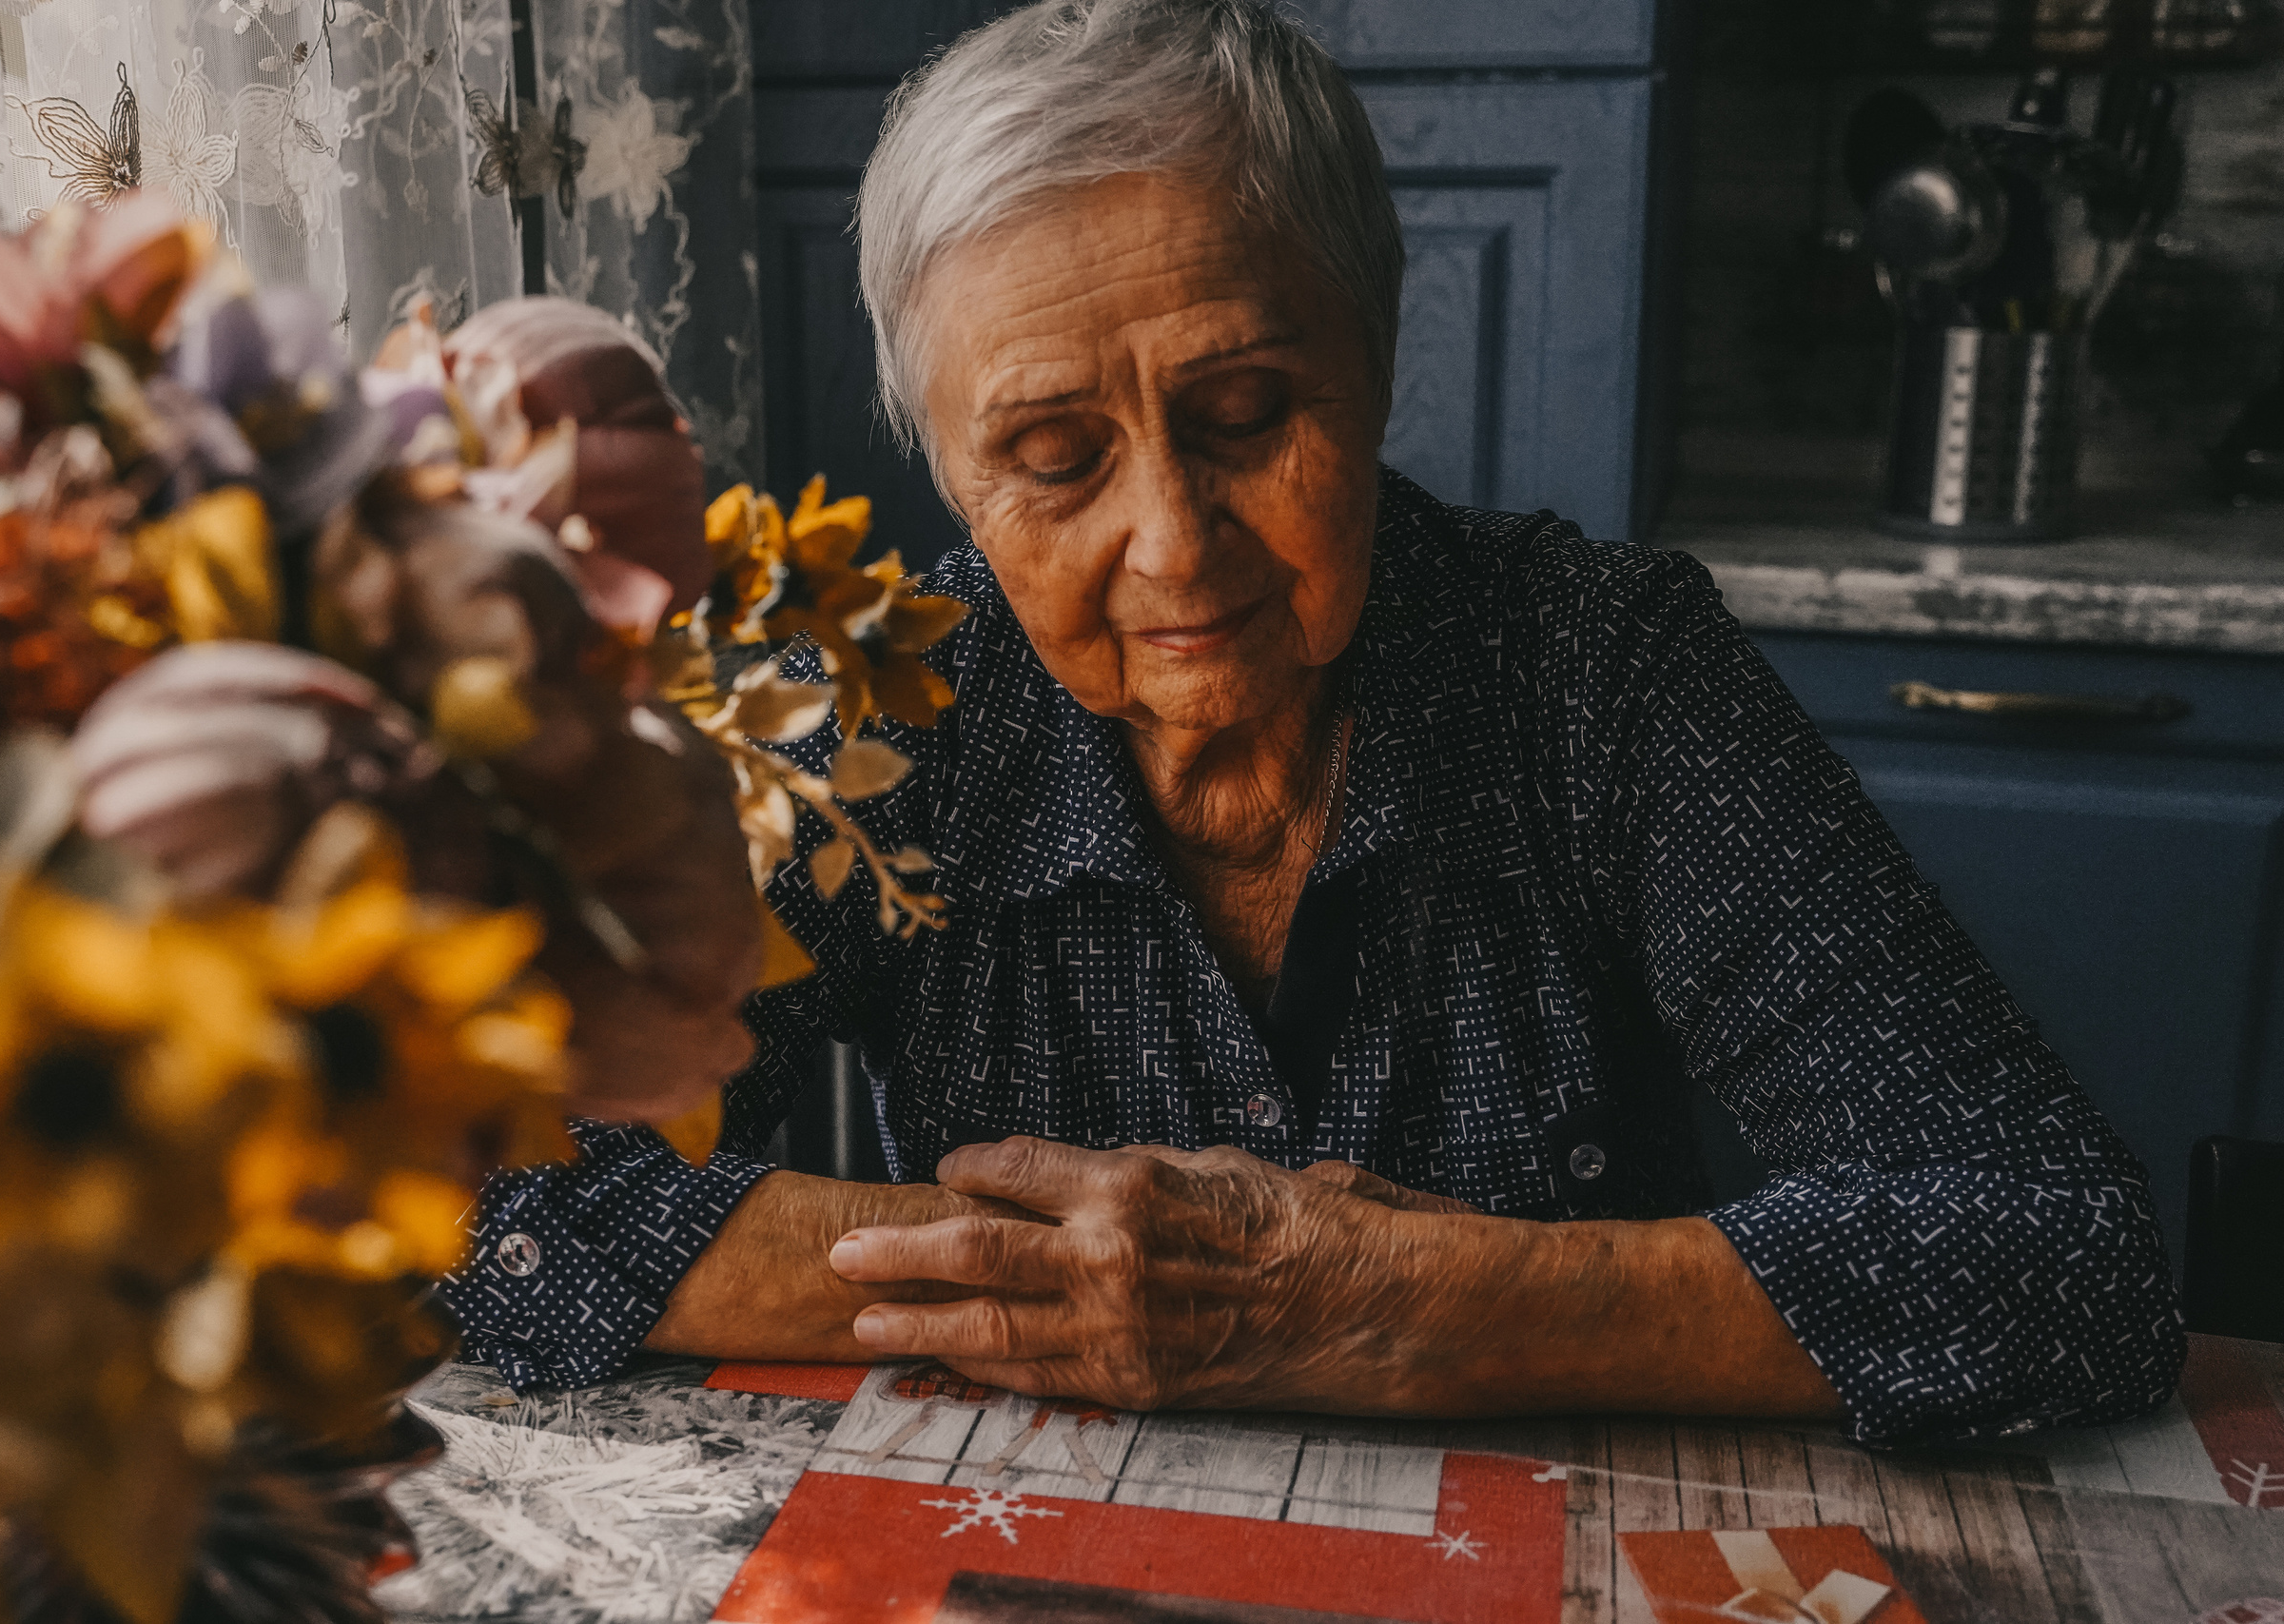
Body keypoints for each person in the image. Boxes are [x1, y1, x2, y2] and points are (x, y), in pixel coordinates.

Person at [441, 0, 2183, 1445]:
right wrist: (1079, 1279)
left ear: (1377, 354)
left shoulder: (1599, 672)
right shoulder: (892, 710)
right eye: (1055, 462)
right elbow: (444, 1160)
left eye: (1249, 412)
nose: (1175, 546)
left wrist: (1415, 1305)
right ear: (954, 483)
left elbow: (2063, 1251)